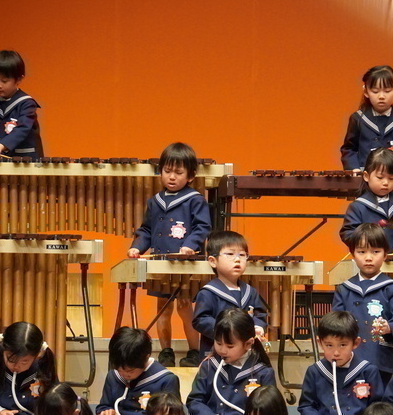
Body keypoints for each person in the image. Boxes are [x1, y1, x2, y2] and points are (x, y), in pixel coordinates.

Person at [129, 142, 211, 367]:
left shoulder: (195, 200)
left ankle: (194, 351)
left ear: (190, 176)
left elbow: (202, 227)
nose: (172, 177)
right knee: (163, 308)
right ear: (160, 171)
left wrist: (190, 245)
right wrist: (137, 247)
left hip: (184, 264)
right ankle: (166, 351)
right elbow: (146, 230)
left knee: (185, 306)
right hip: (161, 263)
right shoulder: (154, 202)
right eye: (167, 171)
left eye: (178, 172)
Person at [332, 223, 393, 385]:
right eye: (361, 252)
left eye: (375, 252)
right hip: (350, 361)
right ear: (352, 254)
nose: (368, 258)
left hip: (382, 362)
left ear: (385, 254)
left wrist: (389, 327)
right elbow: (335, 324)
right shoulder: (344, 289)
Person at [187, 308, 276, 415]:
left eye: (230, 346)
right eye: (219, 343)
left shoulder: (263, 373)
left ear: (248, 343)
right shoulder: (209, 366)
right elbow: (194, 401)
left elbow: (269, 409)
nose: (223, 350)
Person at [192, 231, 267, 358]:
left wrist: (258, 327)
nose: (237, 259)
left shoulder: (250, 291)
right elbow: (200, 320)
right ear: (213, 261)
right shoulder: (208, 292)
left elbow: (260, 315)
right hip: (217, 353)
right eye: (230, 254)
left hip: (247, 353)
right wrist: (227, 332)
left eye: (242, 255)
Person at [298, 311, 384, 414]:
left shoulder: (368, 371)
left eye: (342, 345)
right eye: (329, 345)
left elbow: (377, 407)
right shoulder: (315, 371)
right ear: (320, 343)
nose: (336, 353)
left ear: (355, 343)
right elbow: (306, 406)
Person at [340, 148, 393, 255]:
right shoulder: (357, 207)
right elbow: (348, 233)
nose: (386, 182)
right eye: (380, 177)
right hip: (369, 260)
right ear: (366, 176)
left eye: (391, 178)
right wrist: (368, 246)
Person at [340, 65, 393, 172]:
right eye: (375, 91)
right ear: (366, 92)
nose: (381, 96)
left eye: (387, 91)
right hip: (365, 176)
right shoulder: (357, 118)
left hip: (392, 176)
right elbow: (349, 149)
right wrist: (354, 168)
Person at [0, 322, 57, 415]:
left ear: (36, 356)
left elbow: (56, 401)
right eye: (11, 360)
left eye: (24, 362)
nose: (16, 366)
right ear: (3, 349)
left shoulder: (44, 371)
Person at [96, 327, 180, 415]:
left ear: (146, 358)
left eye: (130, 371)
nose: (123, 374)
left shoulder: (166, 380)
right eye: (119, 370)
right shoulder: (113, 376)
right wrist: (106, 411)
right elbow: (104, 406)